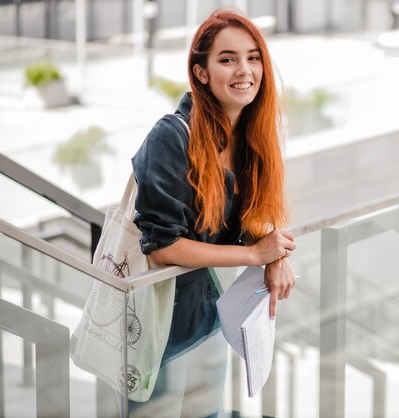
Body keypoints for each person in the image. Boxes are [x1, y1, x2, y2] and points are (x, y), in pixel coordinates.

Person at [128, 9, 297, 417]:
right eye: (227, 59)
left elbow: (253, 219)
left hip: (206, 321)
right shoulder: (171, 136)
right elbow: (162, 247)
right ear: (201, 73)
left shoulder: (249, 140)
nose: (245, 70)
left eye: (253, 57)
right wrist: (256, 256)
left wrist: (275, 255)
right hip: (156, 326)